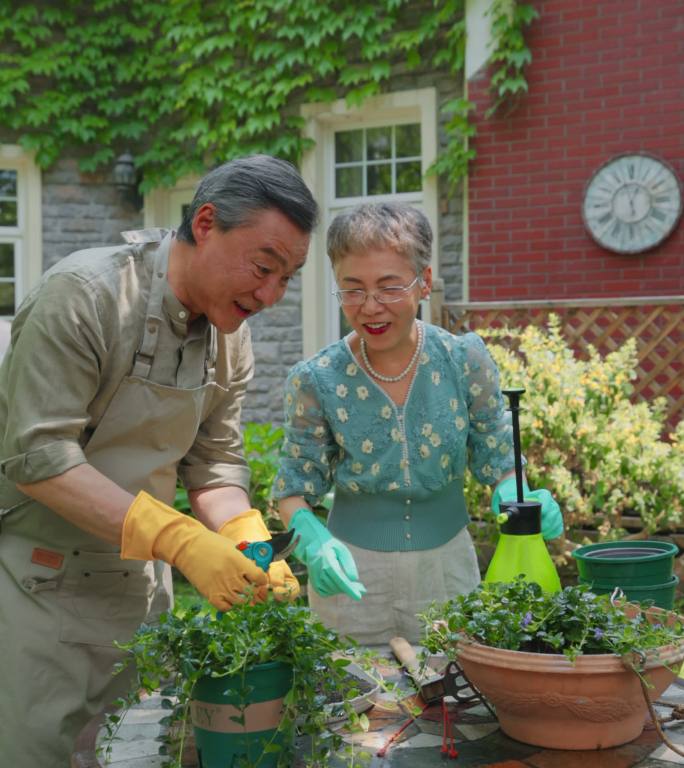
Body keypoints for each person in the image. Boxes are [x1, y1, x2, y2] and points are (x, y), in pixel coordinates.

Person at [0, 154, 317, 768]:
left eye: (288, 279)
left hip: (142, 592)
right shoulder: (86, 296)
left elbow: (216, 464)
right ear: (205, 223)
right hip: (38, 587)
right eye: (263, 267)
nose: (271, 294)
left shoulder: (232, 335)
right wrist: (178, 538)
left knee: (138, 753)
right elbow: (39, 457)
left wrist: (244, 535)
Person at [273, 202, 563, 645]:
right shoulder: (317, 379)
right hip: (351, 579)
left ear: (423, 282)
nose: (370, 307)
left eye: (389, 287)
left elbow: (498, 454)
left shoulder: (464, 359)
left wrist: (514, 492)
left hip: (446, 573)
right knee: (355, 705)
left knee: (458, 700)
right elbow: (293, 487)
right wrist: (312, 539)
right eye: (352, 289)